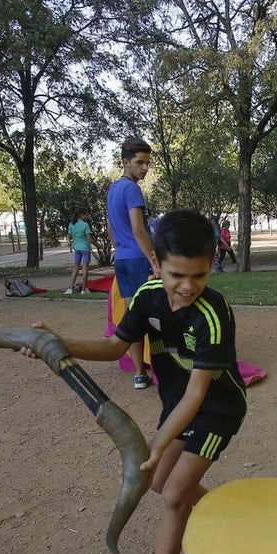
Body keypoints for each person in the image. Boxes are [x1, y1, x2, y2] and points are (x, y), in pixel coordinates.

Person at [21, 210, 248, 554]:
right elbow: (113, 348)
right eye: (177, 274)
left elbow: (199, 394)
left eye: (199, 275)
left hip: (216, 409)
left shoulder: (213, 312)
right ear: (156, 264)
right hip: (176, 405)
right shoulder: (146, 296)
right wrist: (57, 343)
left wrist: (160, 442)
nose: (189, 286)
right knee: (161, 483)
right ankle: (229, 512)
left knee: (175, 494)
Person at [108, 137, 158, 389]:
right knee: (155, 314)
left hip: (123, 261)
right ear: (125, 162)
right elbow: (139, 230)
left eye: (147, 163)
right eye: (140, 163)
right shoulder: (132, 189)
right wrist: (154, 260)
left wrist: (121, 248)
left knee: (133, 317)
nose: (145, 168)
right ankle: (167, 369)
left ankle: (140, 373)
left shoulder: (113, 189)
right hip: (139, 261)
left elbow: (111, 230)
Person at [65, 209, 99, 294]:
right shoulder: (85, 225)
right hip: (85, 248)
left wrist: (71, 245)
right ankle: (84, 289)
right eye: (86, 215)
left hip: (77, 248)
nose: (87, 217)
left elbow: (69, 237)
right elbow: (89, 239)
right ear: (81, 215)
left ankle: (70, 288)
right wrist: (98, 245)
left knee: (76, 268)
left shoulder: (71, 224)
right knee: (85, 268)